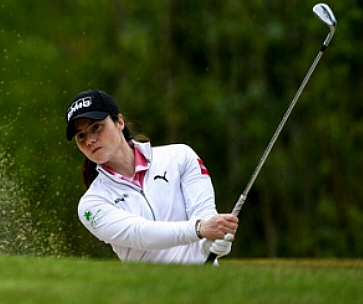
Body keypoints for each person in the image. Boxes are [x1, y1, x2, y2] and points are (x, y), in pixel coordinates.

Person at [66, 89, 238, 264]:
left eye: (96, 127)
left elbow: (204, 213)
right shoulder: (91, 204)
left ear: (119, 122)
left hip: (208, 281)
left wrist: (211, 242)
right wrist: (199, 229)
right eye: (81, 136)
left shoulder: (180, 157)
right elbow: (139, 234)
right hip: (150, 290)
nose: (89, 140)